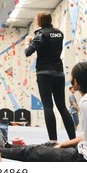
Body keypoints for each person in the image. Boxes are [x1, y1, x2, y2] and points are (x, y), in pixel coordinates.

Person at [24, 12, 76, 142]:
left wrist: (27, 41)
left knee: (48, 106)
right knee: (62, 107)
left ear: (40, 21)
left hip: (44, 73)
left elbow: (27, 52)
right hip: (59, 72)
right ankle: (73, 140)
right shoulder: (59, 33)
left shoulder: (40, 34)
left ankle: (53, 141)